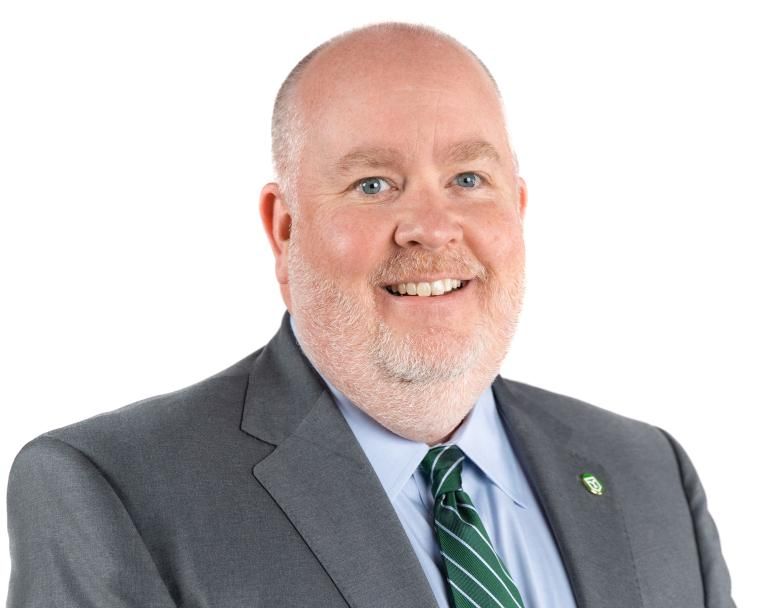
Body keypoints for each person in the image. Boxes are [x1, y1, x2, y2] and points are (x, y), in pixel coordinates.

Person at [6, 22, 734, 608]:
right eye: (374, 184)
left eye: (468, 178)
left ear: (518, 208)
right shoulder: (115, 492)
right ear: (284, 229)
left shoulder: (649, 473)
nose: (432, 228)